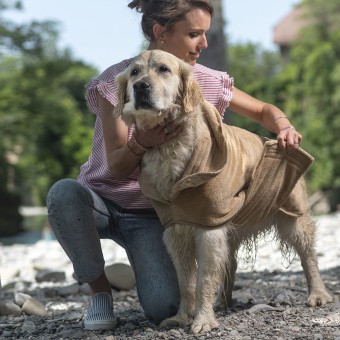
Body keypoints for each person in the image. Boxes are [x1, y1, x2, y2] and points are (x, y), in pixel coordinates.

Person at [46, 0, 302, 331]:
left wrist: (282, 125)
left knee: (165, 308)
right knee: (64, 195)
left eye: (205, 34)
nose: (203, 43)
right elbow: (118, 166)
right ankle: (99, 293)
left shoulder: (202, 80)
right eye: (194, 33)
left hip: (157, 215)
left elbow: (263, 110)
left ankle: (142, 267)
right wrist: (143, 142)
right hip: (102, 201)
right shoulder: (122, 80)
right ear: (160, 33)